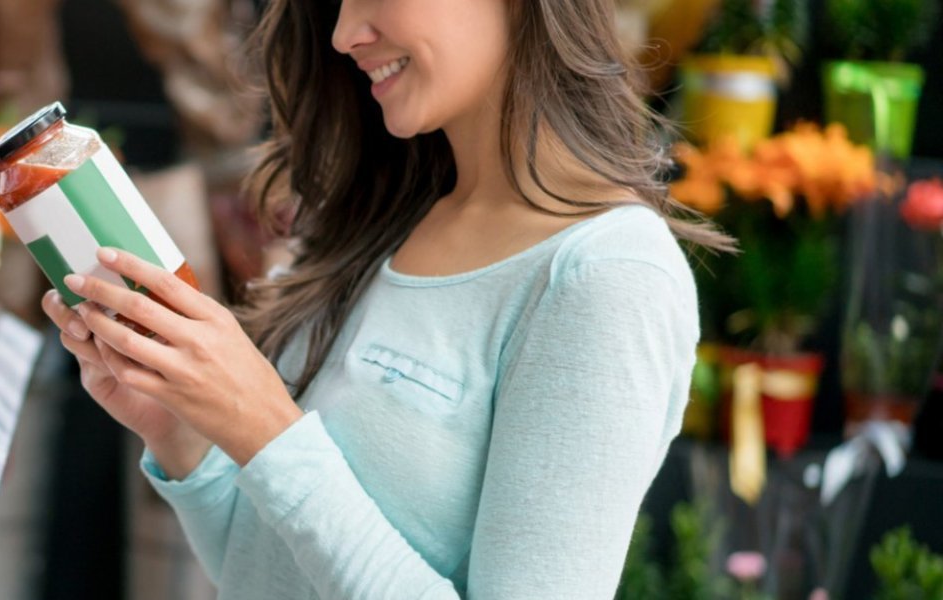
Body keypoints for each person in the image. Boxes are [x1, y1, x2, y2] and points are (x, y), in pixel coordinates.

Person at [38, 0, 735, 597]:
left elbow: (293, 475)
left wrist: (268, 432)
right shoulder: (390, 212)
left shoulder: (606, 278)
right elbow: (265, 569)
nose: (344, 33)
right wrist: (180, 429)